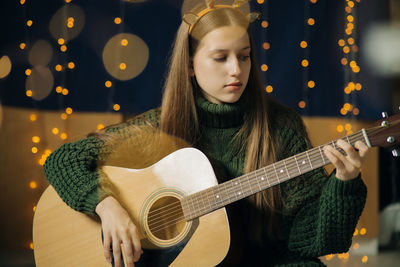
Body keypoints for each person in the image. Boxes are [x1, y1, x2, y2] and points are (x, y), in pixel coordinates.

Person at [43, 1, 369, 266]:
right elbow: (63, 160)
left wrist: (344, 184)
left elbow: (313, 240)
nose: (236, 70)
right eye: (220, 58)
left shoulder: (282, 127)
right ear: (189, 64)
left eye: (244, 57)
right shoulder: (159, 127)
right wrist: (107, 206)